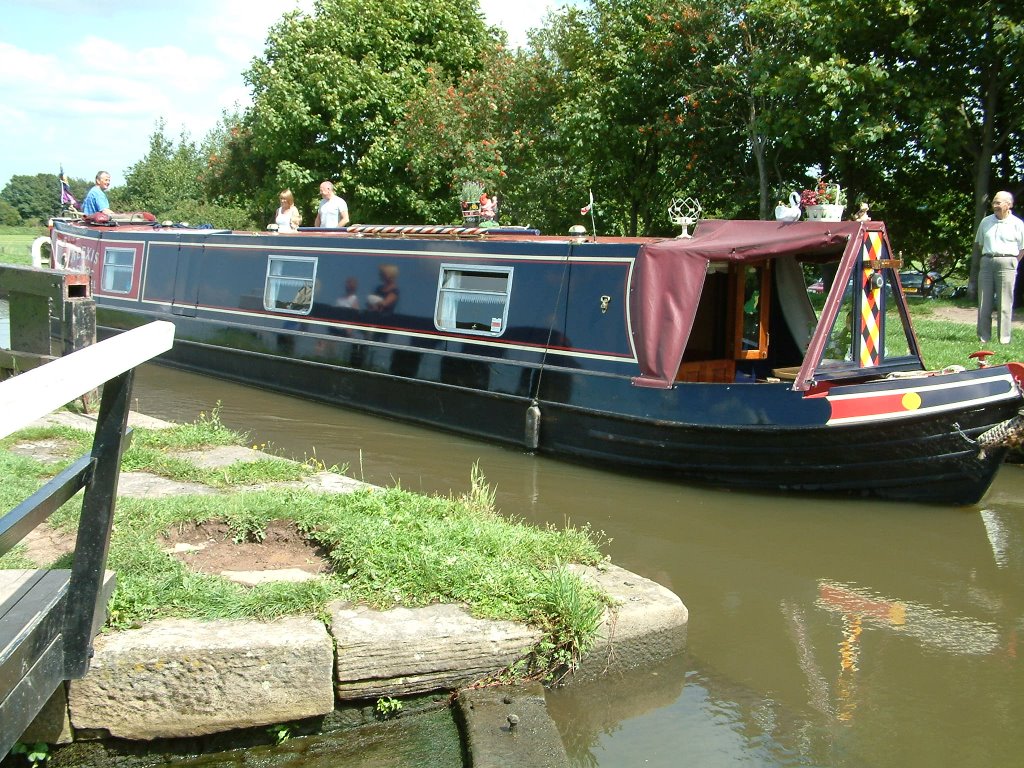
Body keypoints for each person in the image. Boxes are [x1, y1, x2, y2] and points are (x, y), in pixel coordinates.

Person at [973, 191, 1024, 345]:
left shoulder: (1018, 224)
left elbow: (1022, 248)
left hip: (1007, 262)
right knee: (984, 302)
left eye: (998, 202)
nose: (995, 205)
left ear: (1009, 205)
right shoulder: (985, 222)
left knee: (1005, 303)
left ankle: (1004, 339)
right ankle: (983, 338)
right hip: (988, 261)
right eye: (994, 202)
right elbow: (980, 243)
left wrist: (1013, 262)